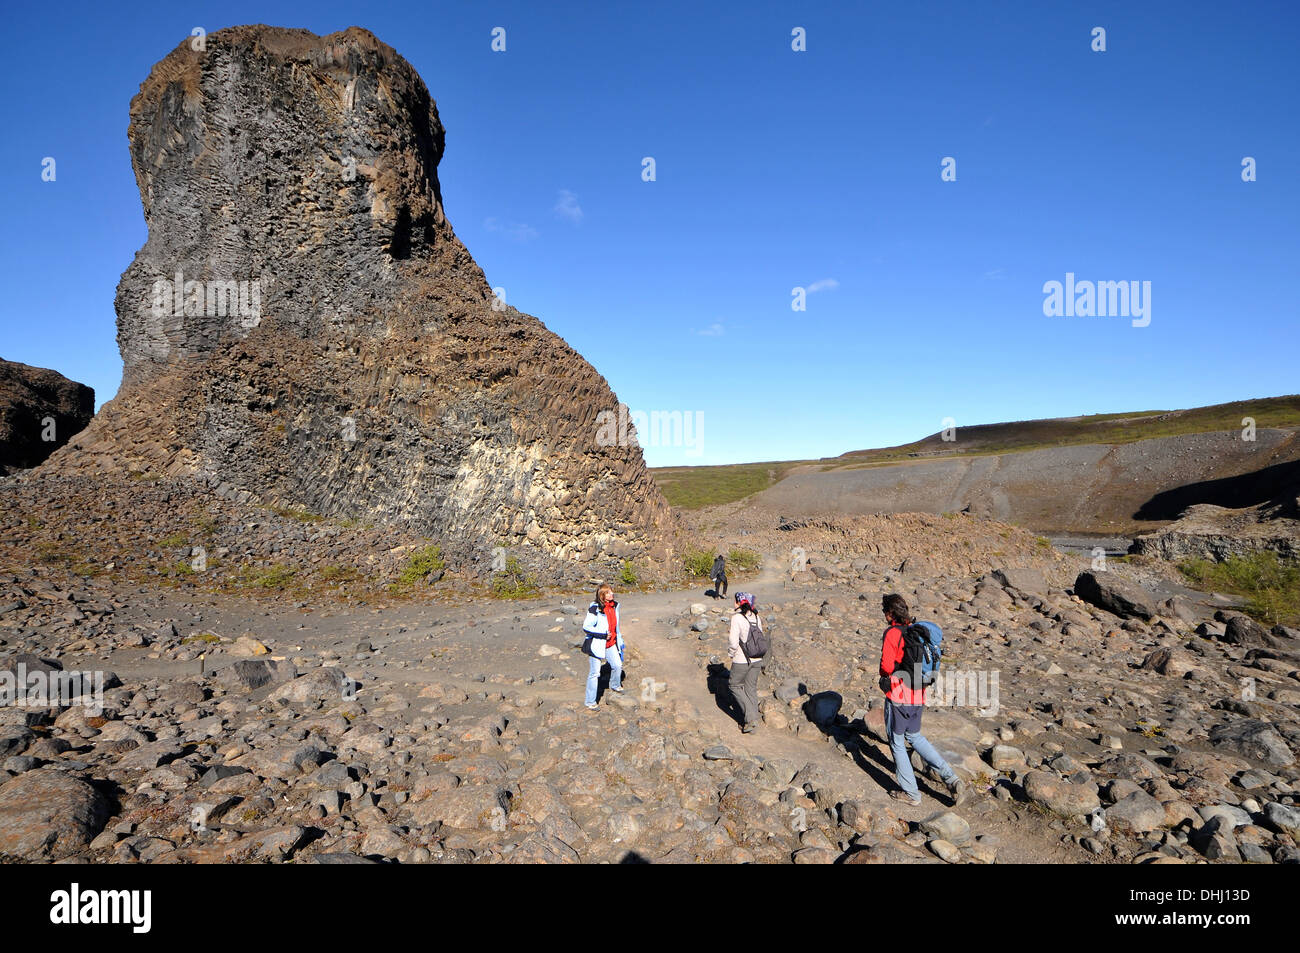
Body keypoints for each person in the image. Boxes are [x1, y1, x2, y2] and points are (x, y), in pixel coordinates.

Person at [879, 593, 964, 806]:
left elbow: (887, 667)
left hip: (899, 694)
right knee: (915, 736)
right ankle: (951, 778)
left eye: (884, 612)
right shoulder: (914, 631)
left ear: (890, 614)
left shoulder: (893, 633)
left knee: (897, 742)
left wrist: (885, 677)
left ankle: (911, 793)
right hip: (919, 693)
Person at [582, 584, 624, 711]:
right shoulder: (595, 608)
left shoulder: (615, 606)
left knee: (617, 665)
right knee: (595, 673)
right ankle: (590, 702)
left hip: (611, 643)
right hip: (596, 644)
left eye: (611, 592)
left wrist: (620, 641)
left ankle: (615, 685)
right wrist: (602, 634)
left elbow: (616, 627)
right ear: (602, 595)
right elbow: (586, 627)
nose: (612, 594)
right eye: (608, 593)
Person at [728, 592, 763, 733]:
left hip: (742, 659)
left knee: (734, 685)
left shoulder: (737, 618)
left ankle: (750, 719)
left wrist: (731, 653)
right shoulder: (756, 616)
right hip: (757, 658)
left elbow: (733, 641)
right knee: (750, 688)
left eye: (735, 601)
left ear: (738, 602)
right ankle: (753, 724)